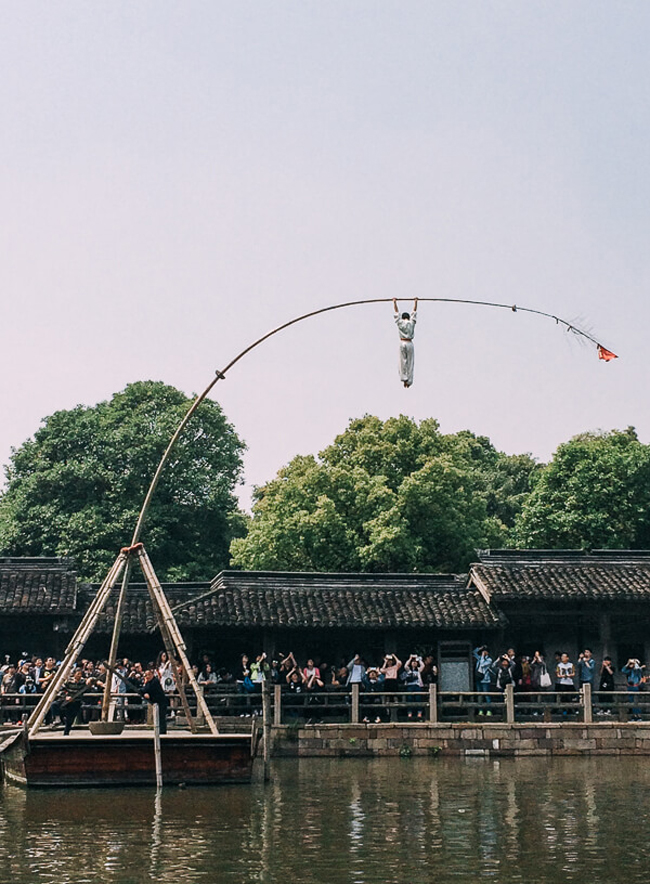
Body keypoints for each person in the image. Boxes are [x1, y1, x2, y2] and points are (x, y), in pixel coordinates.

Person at [392, 298, 418, 387]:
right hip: (409, 343)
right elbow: (414, 312)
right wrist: (415, 302)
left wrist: (394, 302)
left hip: (402, 342)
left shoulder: (400, 322)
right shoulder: (411, 323)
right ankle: (409, 381)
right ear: (408, 317)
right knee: (410, 362)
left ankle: (404, 378)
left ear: (403, 317)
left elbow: (396, 313)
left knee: (402, 361)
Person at [141, 669, 169, 734]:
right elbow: (144, 690)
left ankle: (162, 731)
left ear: (152, 675)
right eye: (146, 675)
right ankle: (160, 730)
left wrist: (147, 694)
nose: (147, 676)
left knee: (161, 716)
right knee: (158, 716)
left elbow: (149, 689)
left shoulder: (155, 681)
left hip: (161, 701)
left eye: (148, 675)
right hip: (156, 701)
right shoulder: (149, 682)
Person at [473, 646, 494, 715]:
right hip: (478, 679)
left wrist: (482, 656)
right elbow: (473, 652)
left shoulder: (489, 660)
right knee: (479, 695)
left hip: (485, 680)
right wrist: (480, 648)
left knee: (486, 695)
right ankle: (480, 710)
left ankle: (489, 710)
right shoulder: (479, 658)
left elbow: (482, 664)